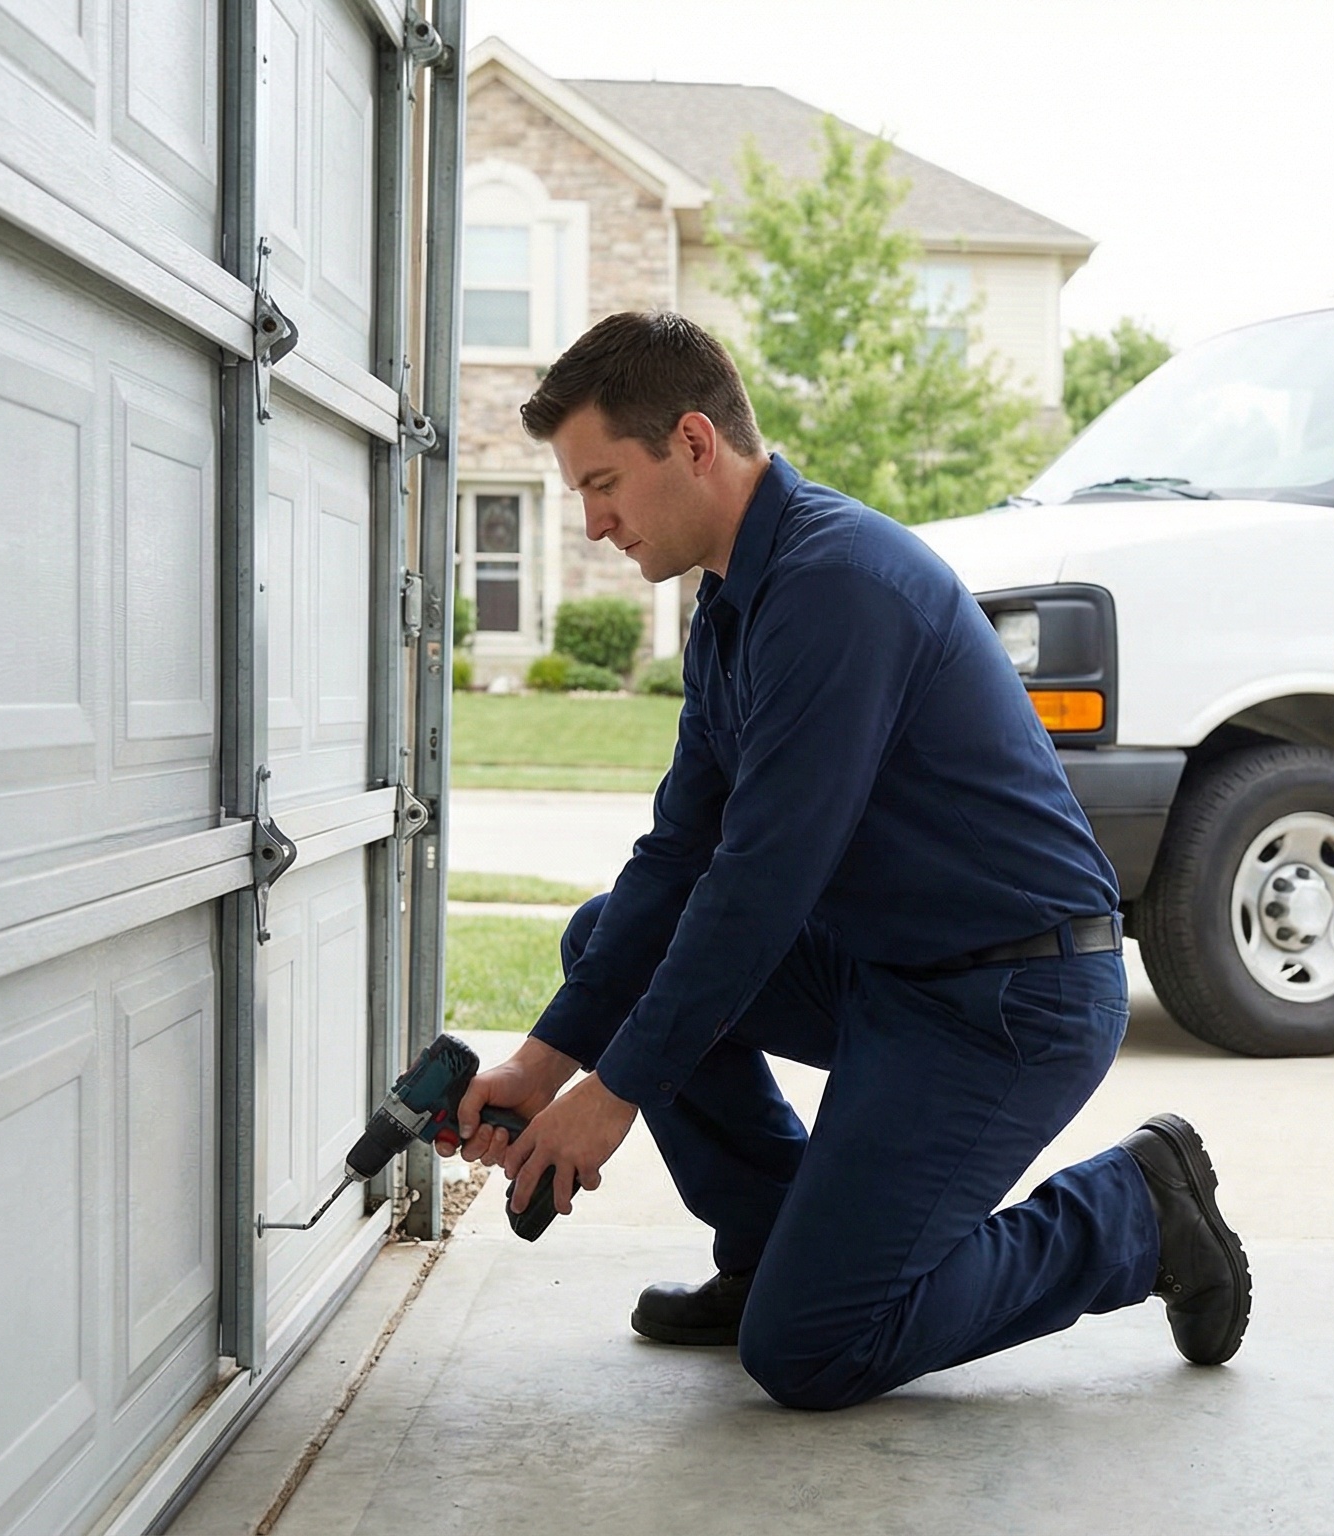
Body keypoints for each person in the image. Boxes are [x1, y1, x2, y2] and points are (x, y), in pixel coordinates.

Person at [450, 311, 1250, 1411]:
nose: (592, 525)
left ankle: (1134, 1215)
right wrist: (542, 1065)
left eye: (601, 485)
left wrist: (617, 1090)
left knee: (814, 1351)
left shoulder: (837, 588)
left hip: (1009, 996)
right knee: (609, 936)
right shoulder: (734, 603)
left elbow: (760, 883)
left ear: (691, 443)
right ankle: (773, 1250)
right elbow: (682, 851)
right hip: (890, 971)